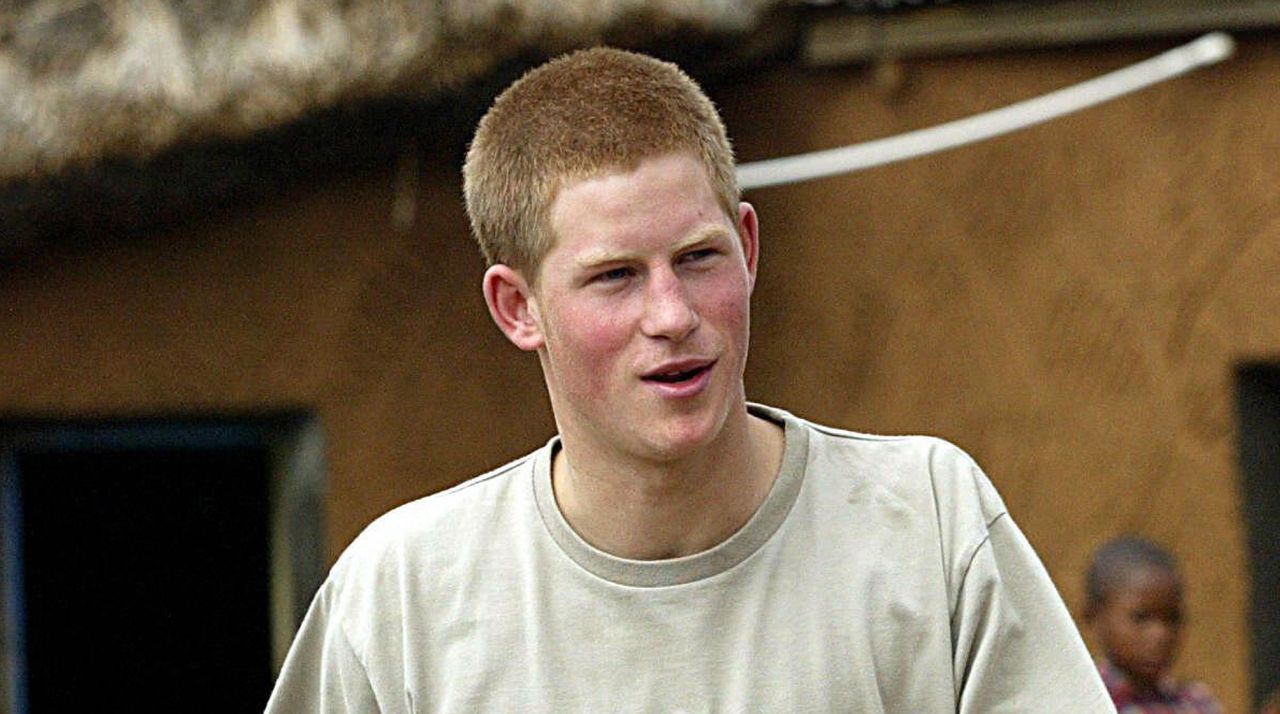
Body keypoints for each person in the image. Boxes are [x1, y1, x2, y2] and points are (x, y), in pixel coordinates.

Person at [264, 47, 1114, 713]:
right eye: (615, 277)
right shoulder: (402, 597)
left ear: (748, 248)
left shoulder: (929, 525)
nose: (672, 313)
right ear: (517, 307)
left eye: (698, 258)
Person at [1085, 535, 1224, 713]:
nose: (1160, 635)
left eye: (1172, 619)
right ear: (1094, 617)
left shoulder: (1194, 704)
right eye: (1141, 618)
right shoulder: (1081, 701)